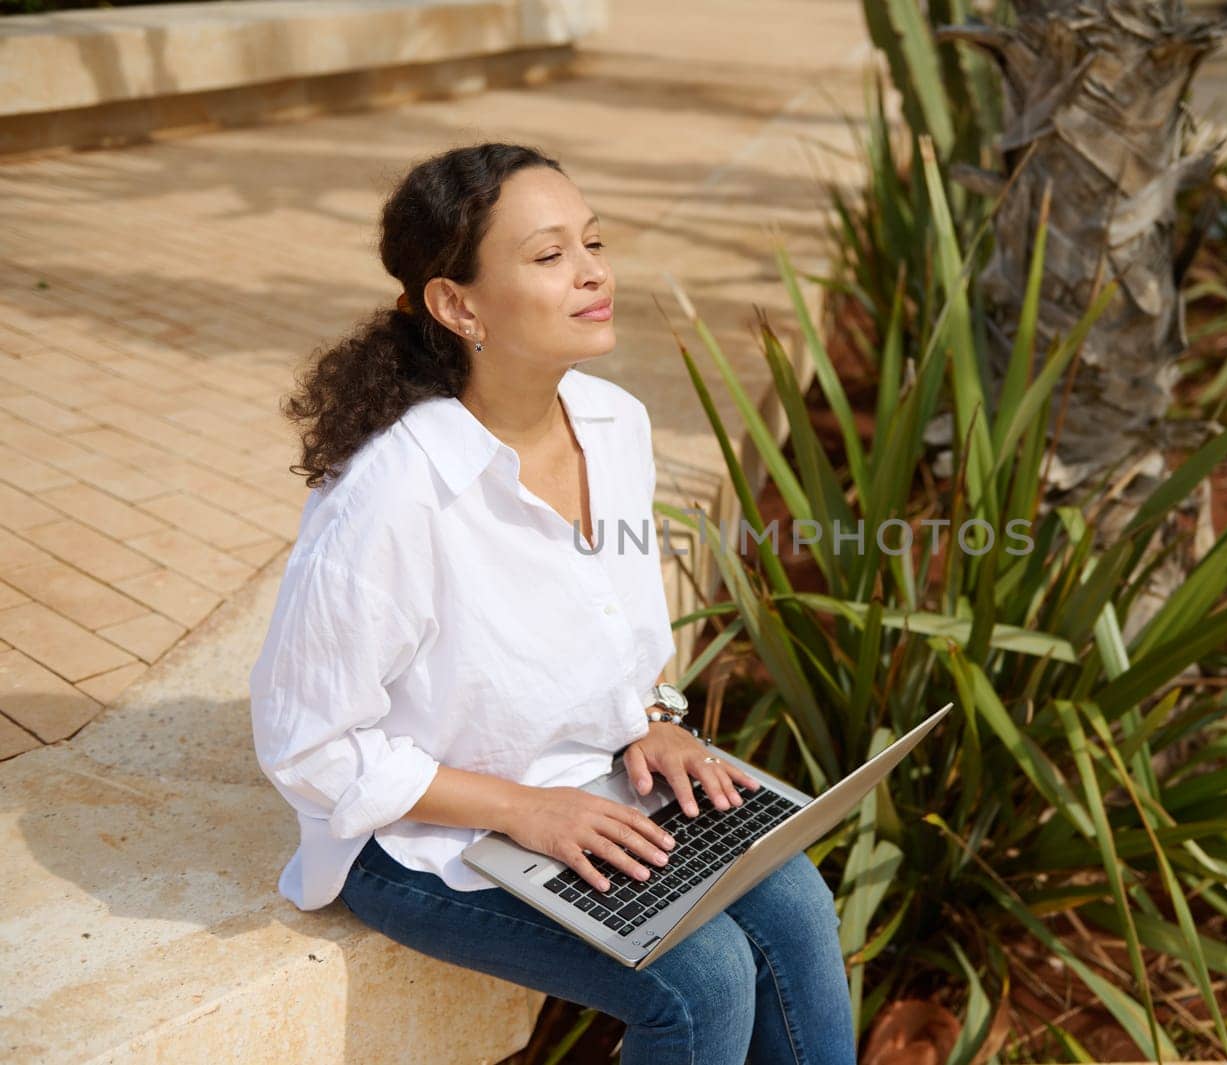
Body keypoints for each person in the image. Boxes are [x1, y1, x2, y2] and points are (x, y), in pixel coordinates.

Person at [248, 142, 856, 1065]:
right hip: (422, 839)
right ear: (458, 305)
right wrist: (522, 808)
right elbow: (311, 747)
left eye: (594, 242)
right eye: (548, 256)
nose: (593, 272)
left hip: (600, 783)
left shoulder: (615, 423)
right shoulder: (394, 494)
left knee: (799, 900)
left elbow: (623, 625)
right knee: (704, 980)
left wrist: (658, 718)